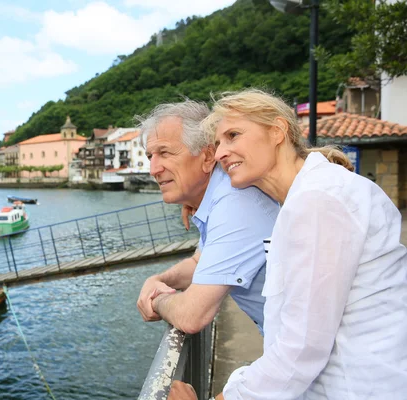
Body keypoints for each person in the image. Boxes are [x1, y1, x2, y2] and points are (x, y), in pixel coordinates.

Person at [171, 89, 407, 400]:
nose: (220, 153)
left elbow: (301, 348)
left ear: (278, 131)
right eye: (217, 144)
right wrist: (193, 200)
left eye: (233, 135)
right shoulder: (309, 196)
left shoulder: (317, 201)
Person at [136, 100, 279, 335]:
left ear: (207, 157)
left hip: (330, 362)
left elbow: (191, 315)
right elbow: (198, 263)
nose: (153, 169)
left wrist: (157, 299)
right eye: (151, 156)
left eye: (165, 153)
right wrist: (159, 279)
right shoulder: (219, 196)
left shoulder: (235, 203)